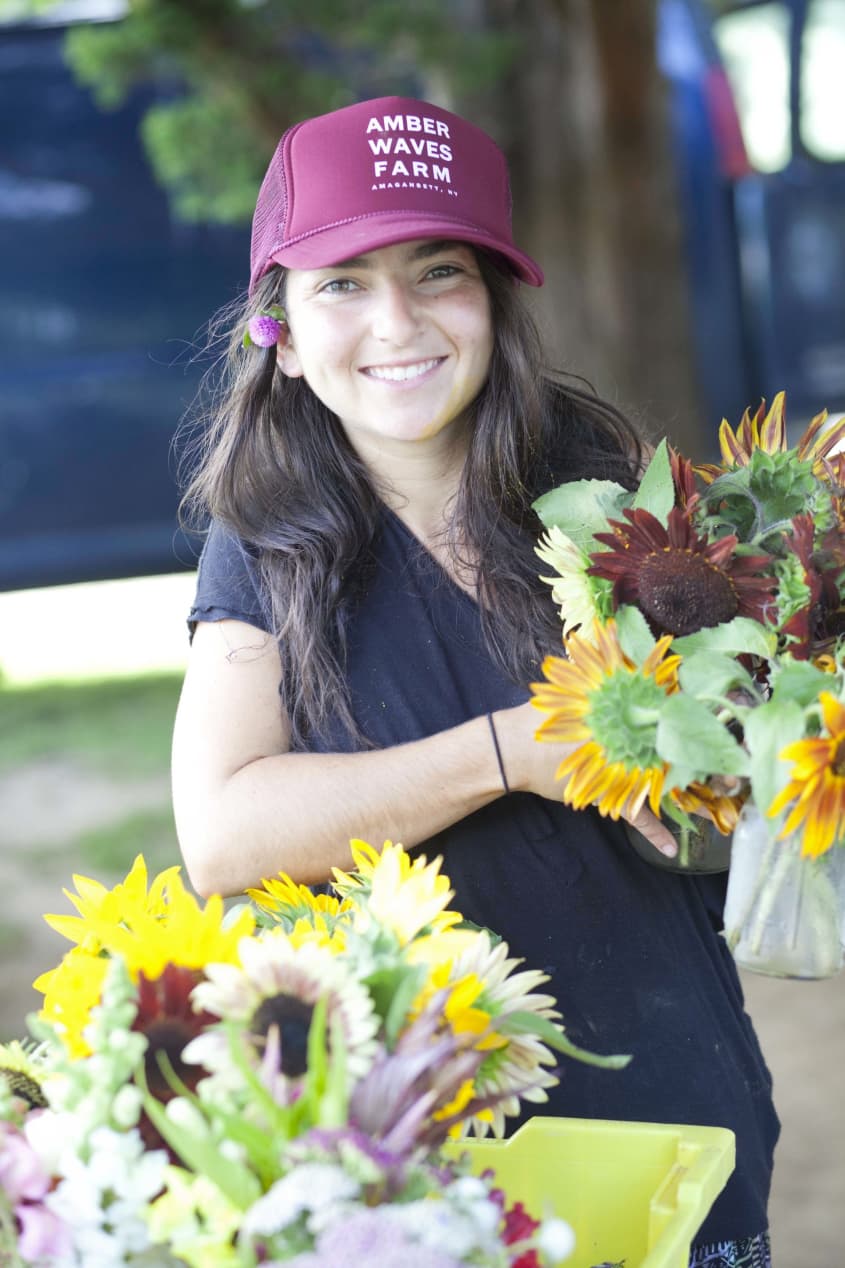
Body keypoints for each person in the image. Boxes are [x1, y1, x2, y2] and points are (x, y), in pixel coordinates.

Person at [171, 95, 778, 1266]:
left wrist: (741, 755)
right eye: (341, 281)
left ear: (491, 302)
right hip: (432, 1166)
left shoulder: (613, 495)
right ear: (280, 331)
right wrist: (511, 752)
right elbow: (224, 830)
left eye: (437, 270)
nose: (394, 320)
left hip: (677, 1112)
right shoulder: (264, 542)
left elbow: (726, 802)